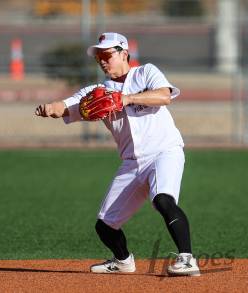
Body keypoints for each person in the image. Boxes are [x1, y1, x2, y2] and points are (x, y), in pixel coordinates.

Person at [34, 32, 200, 277]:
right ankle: (123, 261)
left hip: (165, 151)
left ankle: (187, 259)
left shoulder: (145, 73)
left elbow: (165, 96)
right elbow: (66, 106)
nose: (102, 60)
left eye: (107, 54)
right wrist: (50, 109)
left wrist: (126, 98)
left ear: (124, 53)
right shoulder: (97, 91)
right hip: (132, 163)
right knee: (104, 225)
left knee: (163, 200)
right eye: (99, 56)